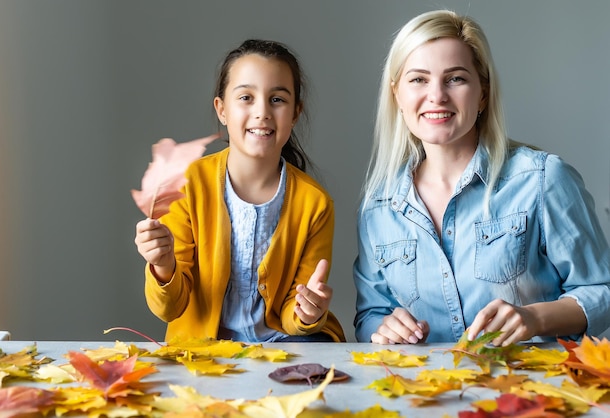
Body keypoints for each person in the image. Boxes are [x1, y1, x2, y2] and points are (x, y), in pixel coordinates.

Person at [353, 10, 610, 346]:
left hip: (531, 390)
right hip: (428, 395)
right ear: (397, 95)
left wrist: (534, 318)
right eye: (418, 79)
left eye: (455, 78)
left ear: (483, 93)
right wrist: (382, 328)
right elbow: (369, 315)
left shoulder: (543, 180)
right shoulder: (379, 207)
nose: (437, 95)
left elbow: (601, 291)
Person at [135, 39, 345, 343]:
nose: (262, 112)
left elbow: (292, 313)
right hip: (206, 350)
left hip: (283, 342)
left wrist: (306, 313)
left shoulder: (316, 204)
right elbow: (169, 308)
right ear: (222, 110)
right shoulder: (187, 184)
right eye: (246, 97)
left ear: (295, 113)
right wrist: (163, 266)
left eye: (277, 99)